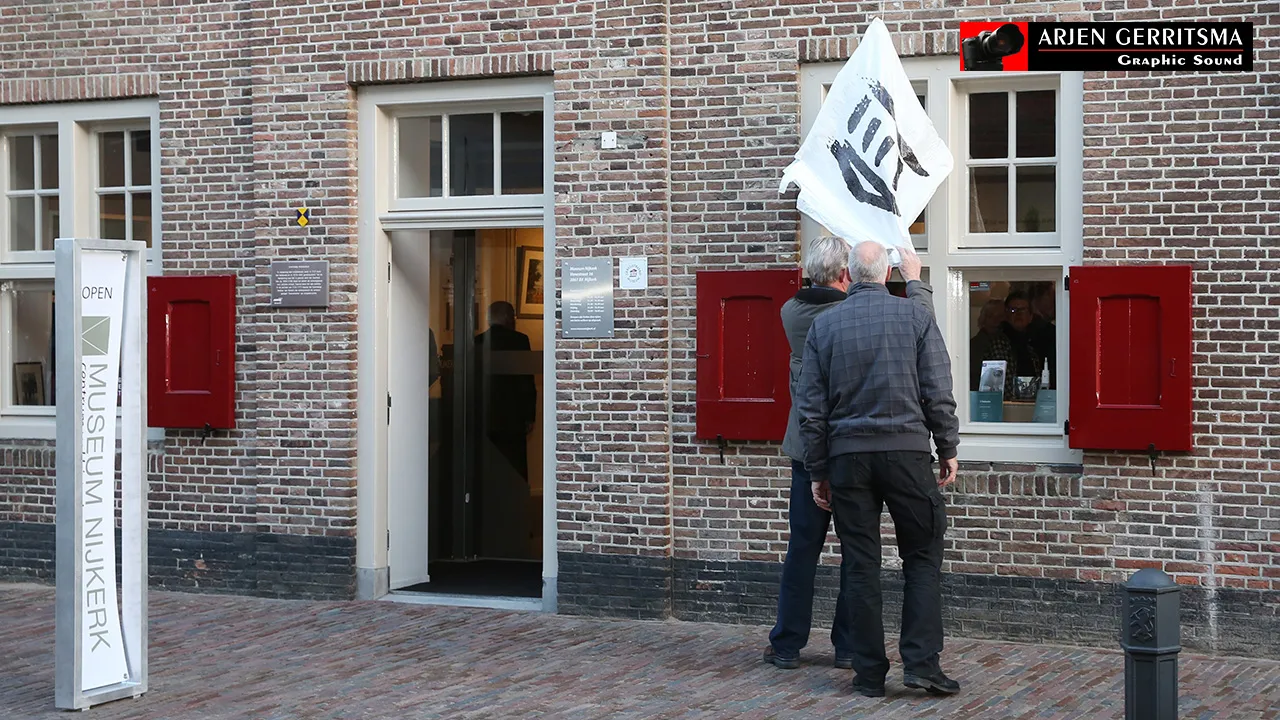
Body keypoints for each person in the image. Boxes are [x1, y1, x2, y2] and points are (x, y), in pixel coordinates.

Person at [796, 240, 961, 698]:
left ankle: (868, 673)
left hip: (848, 459)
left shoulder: (824, 326)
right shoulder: (915, 317)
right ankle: (922, 664)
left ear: (849, 275)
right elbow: (937, 388)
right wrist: (947, 445)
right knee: (922, 557)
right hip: (906, 453)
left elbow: (811, 409)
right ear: (887, 274)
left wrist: (818, 470)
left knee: (860, 564)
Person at [766, 238, 936, 671]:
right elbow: (910, 322)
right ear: (846, 275)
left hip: (807, 450)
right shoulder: (841, 317)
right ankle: (847, 644)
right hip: (845, 449)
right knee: (856, 552)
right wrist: (912, 282)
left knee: (802, 548)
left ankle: (786, 643)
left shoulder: (791, 312)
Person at [475, 301, 537, 481]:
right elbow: (525, 380)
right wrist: (529, 415)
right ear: (507, 317)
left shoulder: (478, 341)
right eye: (513, 316)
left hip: (485, 415)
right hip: (513, 417)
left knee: (487, 470)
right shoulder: (520, 340)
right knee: (514, 467)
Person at [985, 291, 1043, 399]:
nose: (1018, 314)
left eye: (1022, 310)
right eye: (1013, 310)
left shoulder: (1033, 345)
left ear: (1031, 316)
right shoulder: (999, 343)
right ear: (1006, 316)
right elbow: (998, 387)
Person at [969, 299, 1007, 391]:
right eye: (990, 316)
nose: (996, 320)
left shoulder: (1008, 343)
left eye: (1000, 316)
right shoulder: (975, 345)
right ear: (983, 319)